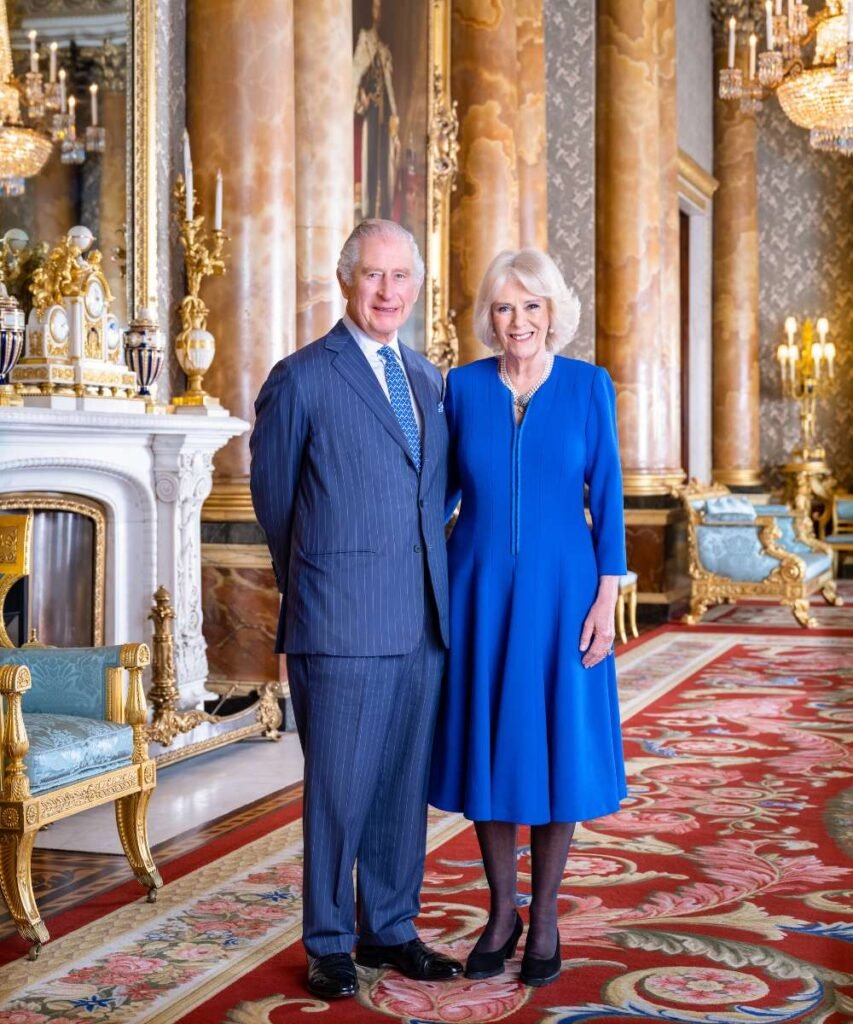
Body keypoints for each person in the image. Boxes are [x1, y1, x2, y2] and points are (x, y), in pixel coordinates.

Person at [250, 219, 462, 999]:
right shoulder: (301, 377)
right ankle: (330, 941)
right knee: (337, 790)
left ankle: (392, 927)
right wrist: (319, 586)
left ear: (415, 284)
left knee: (403, 786)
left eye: (400, 277)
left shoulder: (428, 378)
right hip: (338, 621)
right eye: (373, 275)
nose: (386, 291)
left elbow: (433, 494)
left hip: (422, 622)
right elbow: (275, 505)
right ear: (346, 280)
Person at [429, 248, 627, 988]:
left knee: (556, 748)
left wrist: (606, 601)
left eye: (532, 306)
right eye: (505, 308)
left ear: (552, 313)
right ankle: (500, 911)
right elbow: (438, 498)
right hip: (476, 589)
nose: (518, 321)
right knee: (490, 745)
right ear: (490, 316)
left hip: (565, 593)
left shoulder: (586, 387)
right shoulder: (462, 388)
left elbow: (605, 497)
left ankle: (543, 916)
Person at [353, 0, 400, 220]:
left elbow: (389, 89)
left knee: (382, 162)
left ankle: (379, 212)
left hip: (382, 117)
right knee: (367, 159)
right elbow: (355, 76)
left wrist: (394, 119)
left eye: (381, 8)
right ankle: (366, 210)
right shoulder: (365, 40)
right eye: (375, 7)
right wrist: (360, 95)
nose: (378, 12)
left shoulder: (384, 50)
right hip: (368, 113)